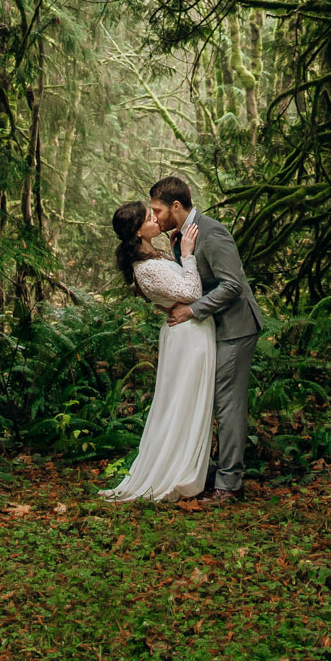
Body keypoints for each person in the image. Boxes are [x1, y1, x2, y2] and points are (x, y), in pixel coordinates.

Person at [148, 174, 262, 505]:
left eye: (157, 211)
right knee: (207, 399)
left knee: (228, 404)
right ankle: (212, 470)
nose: (154, 218)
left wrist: (192, 310)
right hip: (214, 328)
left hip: (236, 328)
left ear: (177, 206)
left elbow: (232, 285)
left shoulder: (212, 234)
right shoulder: (178, 237)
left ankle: (229, 484)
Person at [99, 203, 214, 502]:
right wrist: (188, 255)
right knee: (181, 403)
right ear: (138, 231)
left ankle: (187, 463)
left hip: (190, 333)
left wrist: (178, 254)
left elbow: (178, 286)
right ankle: (176, 471)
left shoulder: (154, 256)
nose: (156, 219)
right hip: (186, 338)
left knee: (188, 402)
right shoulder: (146, 268)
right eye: (149, 217)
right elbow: (192, 294)